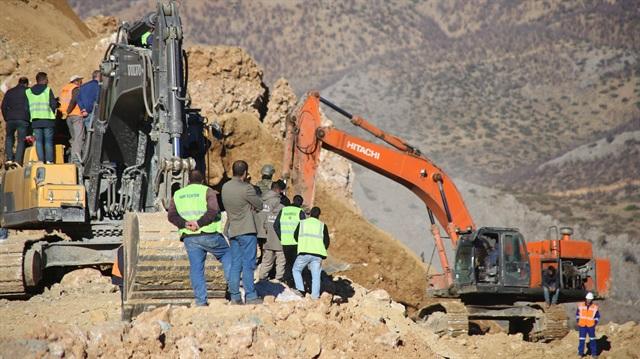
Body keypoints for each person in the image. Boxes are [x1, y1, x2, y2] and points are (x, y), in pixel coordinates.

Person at [167, 170, 229, 306]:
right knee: (227, 256)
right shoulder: (207, 191)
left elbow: (171, 215)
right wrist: (199, 223)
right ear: (202, 181)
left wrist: (185, 224)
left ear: (188, 181)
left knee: (196, 268)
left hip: (190, 237)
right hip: (209, 233)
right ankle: (234, 292)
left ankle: (201, 301)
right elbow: (213, 211)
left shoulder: (178, 194)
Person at [221, 160, 264, 305]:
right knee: (248, 264)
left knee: (236, 264)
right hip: (247, 230)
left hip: (233, 230)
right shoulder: (247, 188)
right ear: (245, 173)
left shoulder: (225, 187)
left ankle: (235, 296)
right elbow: (259, 204)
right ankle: (251, 296)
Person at [291, 206, 330, 298]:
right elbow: (326, 241)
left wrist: (302, 243)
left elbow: (295, 236)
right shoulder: (322, 225)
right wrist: (320, 248)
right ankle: (315, 297)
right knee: (316, 276)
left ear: (310, 214)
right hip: (317, 255)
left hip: (304, 252)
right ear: (319, 215)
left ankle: (300, 290)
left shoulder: (302, 223)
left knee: (296, 270)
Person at [274, 195, 306, 286]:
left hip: (285, 242)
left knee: (288, 263)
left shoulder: (284, 210)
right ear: (300, 203)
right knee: (296, 264)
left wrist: (281, 237)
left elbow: (275, 226)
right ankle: (294, 284)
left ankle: (287, 281)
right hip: (296, 243)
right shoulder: (300, 212)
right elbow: (304, 228)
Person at [26, 72, 57, 163]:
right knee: (48, 141)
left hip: (36, 121)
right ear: (43, 80)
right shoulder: (47, 90)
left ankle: (40, 160)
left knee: (38, 142)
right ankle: (49, 161)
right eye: (47, 79)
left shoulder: (28, 92)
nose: (48, 81)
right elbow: (53, 104)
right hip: (47, 120)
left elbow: (26, 107)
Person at [257, 182, 286, 282]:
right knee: (280, 261)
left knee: (265, 259)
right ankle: (277, 280)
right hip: (273, 236)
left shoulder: (261, 198)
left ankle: (261, 278)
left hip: (260, 232)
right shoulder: (277, 202)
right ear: (278, 190)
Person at [1, 77, 29, 165]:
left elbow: (3, 106)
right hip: (23, 119)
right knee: (21, 140)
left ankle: (9, 159)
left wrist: (6, 117)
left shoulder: (10, 92)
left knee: (9, 138)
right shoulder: (29, 92)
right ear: (26, 84)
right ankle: (17, 160)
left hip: (10, 119)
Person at [59, 75, 84, 161]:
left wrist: (65, 113)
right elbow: (74, 100)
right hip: (75, 114)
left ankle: (72, 156)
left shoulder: (64, 89)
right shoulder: (75, 88)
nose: (81, 83)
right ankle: (75, 157)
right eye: (80, 81)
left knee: (73, 137)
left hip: (67, 116)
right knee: (79, 137)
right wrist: (68, 111)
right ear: (76, 81)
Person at [576, 292, 600, 357]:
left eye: (590, 299)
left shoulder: (595, 307)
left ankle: (594, 354)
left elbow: (597, 316)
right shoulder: (581, 305)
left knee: (592, 340)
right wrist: (578, 321)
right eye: (588, 299)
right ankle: (580, 353)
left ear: (592, 300)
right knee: (582, 340)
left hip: (590, 326)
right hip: (582, 325)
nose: (588, 300)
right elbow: (577, 314)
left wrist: (594, 323)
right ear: (586, 299)